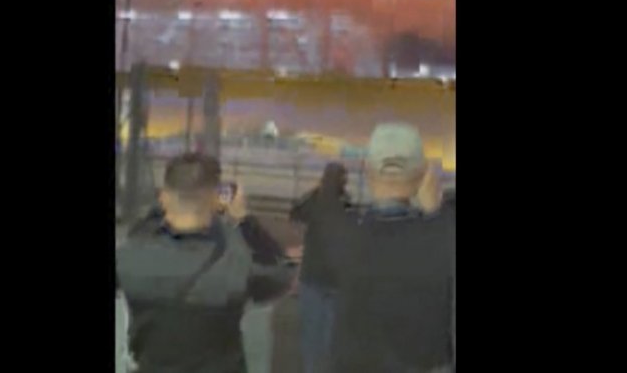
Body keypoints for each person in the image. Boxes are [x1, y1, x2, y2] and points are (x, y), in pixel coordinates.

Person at [116, 152, 294, 373]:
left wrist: (158, 211)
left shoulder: (131, 256)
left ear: (163, 197)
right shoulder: (236, 260)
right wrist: (245, 220)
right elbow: (282, 274)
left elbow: (138, 235)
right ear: (216, 199)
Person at [316, 123, 455, 373]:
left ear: (367, 170)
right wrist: (436, 212)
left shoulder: (341, 236)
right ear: (424, 175)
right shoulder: (443, 237)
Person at [289, 162, 354, 373]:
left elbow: (295, 213)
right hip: (337, 279)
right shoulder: (346, 204)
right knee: (331, 336)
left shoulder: (314, 201)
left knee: (311, 334)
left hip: (313, 276)